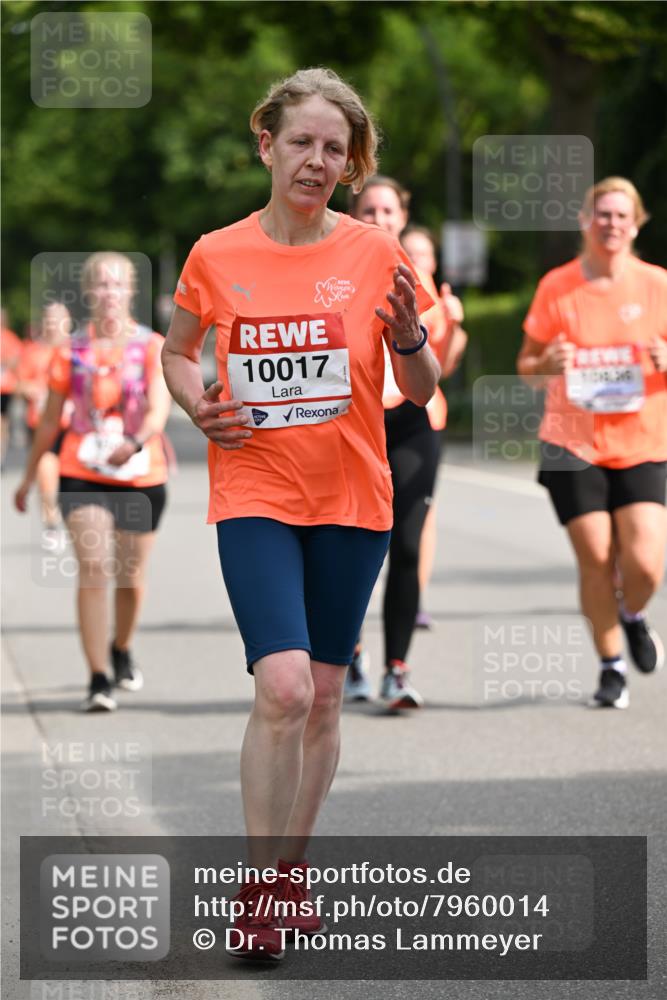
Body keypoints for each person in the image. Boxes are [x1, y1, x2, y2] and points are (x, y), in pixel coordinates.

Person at [161, 68, 439, 960]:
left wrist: (409, 342)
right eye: (301, 143)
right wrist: (192, 399)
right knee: (281, 685)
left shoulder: (373, 253)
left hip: (354, 499)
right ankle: (254, 892)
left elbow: (423, 385)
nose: (316, 160)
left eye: (334, 148)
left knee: (322, 696)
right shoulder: (216, 254)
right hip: (255, 490)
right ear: (265, 144)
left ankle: (291, 870)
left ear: (348, 163)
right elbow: (177, 352)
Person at [517, 177, 667, 709]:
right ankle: (611, 667)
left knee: (646, 564)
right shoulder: (558, 286)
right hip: (572, 441)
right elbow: (527, 367)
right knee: (597, 558)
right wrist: (545, 365)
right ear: (586, 220)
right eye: (602, 214)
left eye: (621, 215)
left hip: (644, 440)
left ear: (636, 223)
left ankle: (632, 614)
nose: (611, 223)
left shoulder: (658, 285)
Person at [15, 252, 171, 712]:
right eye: (100, 285)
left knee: (130, 576)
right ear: (88, 292)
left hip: (141, 471)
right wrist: (27, 478)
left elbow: (159, 411)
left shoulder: (150, 346)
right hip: (80, 471)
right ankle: (98, 676)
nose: (108, 293)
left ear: (130, 292)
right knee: (95, 567)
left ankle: (121, 646)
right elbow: (48, 422)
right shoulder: (70, 351)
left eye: (117, 285)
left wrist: (137, 441)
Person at [346, 179, 466, 708]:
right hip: (351, 426)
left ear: (402, 217)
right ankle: (348, 654)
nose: (378, 216)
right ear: (354, 212)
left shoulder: (420, 283)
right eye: (368, 207)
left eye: (387, 209)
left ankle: (397, 667)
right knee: (347, 549)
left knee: (409, 545)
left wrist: (450, 328)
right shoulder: (334, 272)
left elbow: (438, 365)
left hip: (414, 422)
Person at [401, 225, 467, 629]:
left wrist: (455, 325)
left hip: (424, 416)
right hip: (372, 416)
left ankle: (414, 597)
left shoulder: (439, 305)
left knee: (419, 515)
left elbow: (444, 364)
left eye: (424, 255)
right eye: (411, 252)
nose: (417, 260)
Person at [17, 302, 73, 549]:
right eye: (49, 319)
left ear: (68, 322)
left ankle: (79, 521)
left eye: (58, 319)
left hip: (74, 428)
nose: (53, 325)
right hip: (41, 425)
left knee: (70, 480)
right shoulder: (33, 352)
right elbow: (18, 384)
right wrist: (37, 391)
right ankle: (51, 523)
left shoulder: (78, 351)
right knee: (45, 472)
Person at [1, 309, 24, 465]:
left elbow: (17, 361)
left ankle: (1, 456)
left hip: (4, 388)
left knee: (2, 423)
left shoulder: (10, 338)